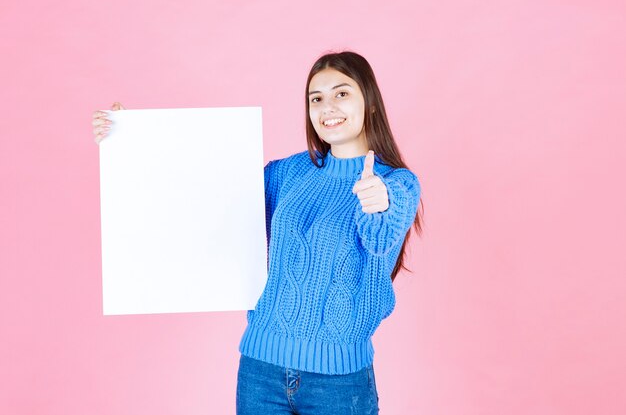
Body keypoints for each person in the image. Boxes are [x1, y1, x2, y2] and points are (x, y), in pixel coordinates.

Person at [92, 50, 423, 414]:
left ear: (370, 102)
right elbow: (205, 193)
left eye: (341, 93)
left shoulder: (397, 184)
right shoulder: (288, 173)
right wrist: (132, 142)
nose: (328, 107)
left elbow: (379, 238)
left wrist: (377, 201)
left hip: (339, 381)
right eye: (317, 98)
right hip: (260, 370)